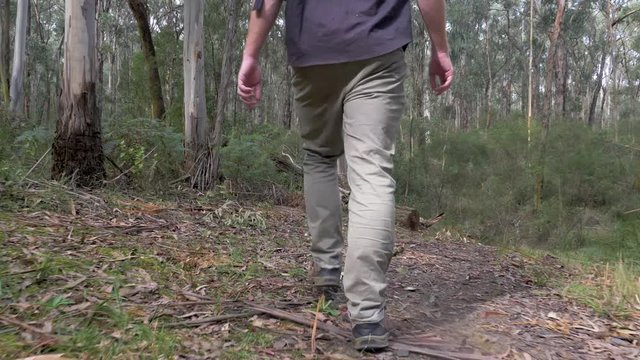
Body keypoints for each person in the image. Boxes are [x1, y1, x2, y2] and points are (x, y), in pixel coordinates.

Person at [237, 0, 453, 351]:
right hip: (376, 46)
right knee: (371, 172)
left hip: (314, 49)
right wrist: (440, 48)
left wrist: (251, 54)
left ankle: (326, 268)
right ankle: (367, 317)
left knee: (320, 157)